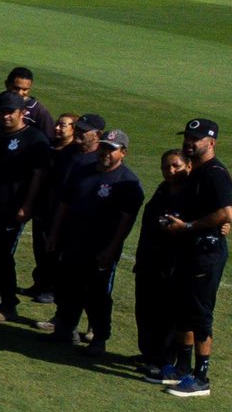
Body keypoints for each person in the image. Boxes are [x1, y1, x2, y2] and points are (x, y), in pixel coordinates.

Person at [37, 130, 143, 357]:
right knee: (67, 287)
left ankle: (99, 338)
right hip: (72, 241)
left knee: (97, 295)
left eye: (111, 149)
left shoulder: (128, 182)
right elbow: (64, 204)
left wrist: (111, 249)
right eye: (103, 147)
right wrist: (55, 234)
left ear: (123, 153)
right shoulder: (82, 172)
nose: (105, 153)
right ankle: (66, 329)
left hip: (100, 249)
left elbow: (126, 221)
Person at [159, 118, 232, 397]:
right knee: (184, 311)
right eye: (187, 137)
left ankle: (201, 379)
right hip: (191, 251)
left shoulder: (215, 173)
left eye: (196, 138)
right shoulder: (197, 172)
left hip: (207, 253)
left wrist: (188, 226)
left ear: (211, 143)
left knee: (200, 315)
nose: (189, 142)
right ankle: (182, 368)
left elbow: (226, 214)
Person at [0, 94, 50, 323]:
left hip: (13, 208)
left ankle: (9, 303)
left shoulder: (35, 140)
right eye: (2, 112)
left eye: (10, 112)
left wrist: (27, 205)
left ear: (22, 113)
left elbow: (39, 175)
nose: (5, 116)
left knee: (3, 255)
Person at [135, 150, 192, 380]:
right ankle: (150, 354)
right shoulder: (163, 189)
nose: (170, 171)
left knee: (167, 314)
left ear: (188, 166)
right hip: (150, 258)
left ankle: (164, 361)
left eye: (175, 166)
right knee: (146, 309)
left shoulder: (193, 192)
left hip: (173, 262)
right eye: (166, 167)